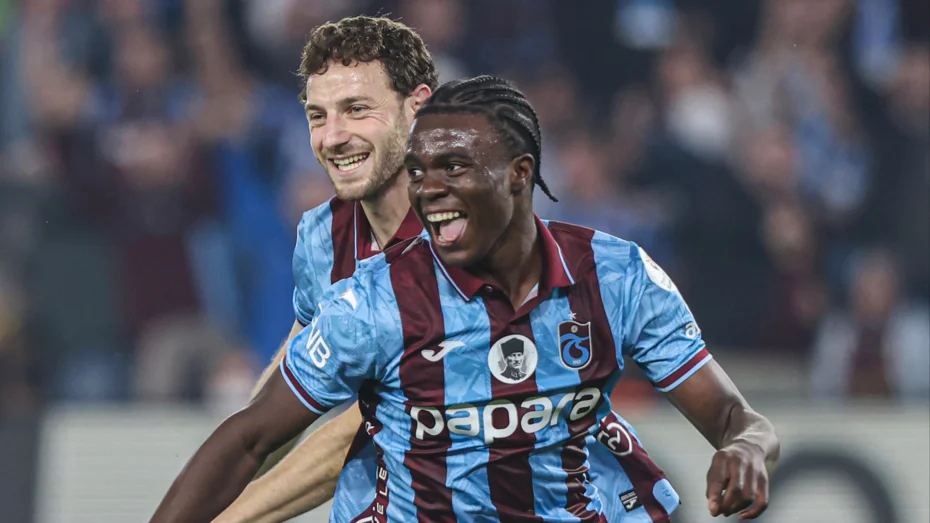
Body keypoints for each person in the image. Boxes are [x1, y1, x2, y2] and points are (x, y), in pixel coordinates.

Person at [151, 75, 779, 523]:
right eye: (419, 171)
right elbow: (248, 439)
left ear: (520, 174)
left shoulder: (615, 277)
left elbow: (734, 417)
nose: (429, 190)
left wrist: (745, 448)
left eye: (454, 167)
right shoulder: (375, 303)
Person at [214, 16, 654, 523]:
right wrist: (221, 486)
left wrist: (231, 517)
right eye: (321, 115)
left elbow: (365, 429)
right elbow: (276, 414)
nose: (336, 136)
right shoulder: (326, 237)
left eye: (359, 110)